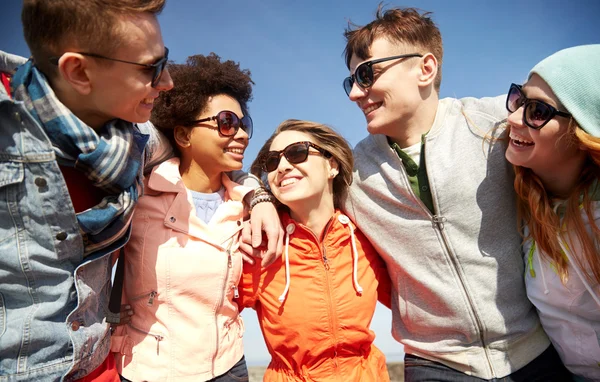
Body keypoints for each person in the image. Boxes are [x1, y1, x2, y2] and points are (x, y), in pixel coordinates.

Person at [341, 5, 571, 381]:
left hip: (534, 352)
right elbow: (267, 174)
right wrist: (261, 198)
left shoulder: (496, 122)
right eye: (349, 80)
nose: (354, 93)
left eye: (366, 74)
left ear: (425, 68)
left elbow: (577, 122)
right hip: (435, 364)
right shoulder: (347, 171)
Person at [0, 1, 174, 380]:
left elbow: (194, 153)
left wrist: (254, 194)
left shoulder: (139, 140)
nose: (167, 83)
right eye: (151, 69)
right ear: (77, 70)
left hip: (100, 367)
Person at [111, 53, 253, 382]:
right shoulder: (141, 194)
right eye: (227, 122)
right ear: (184, 136)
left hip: (229, 367)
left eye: (244, 125)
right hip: (149, 369)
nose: (243, 135)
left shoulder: (248, 205)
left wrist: (257, 197)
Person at [240, 119, 392, 381]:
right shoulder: (258, 244)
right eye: (273, 162)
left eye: (297, 153)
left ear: (331, 165)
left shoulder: (366, 235)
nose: (283, 167)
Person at [505, 45, 600, 381]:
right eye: (518, 99)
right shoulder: (520, 193)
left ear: (582, 131)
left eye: (538, 111)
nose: (513, 118)